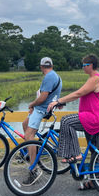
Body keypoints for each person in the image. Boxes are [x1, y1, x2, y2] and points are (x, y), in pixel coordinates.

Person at [48, 54, 99, 190]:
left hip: (94, 117)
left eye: (84, 65)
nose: (82, 68)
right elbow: (81, 94)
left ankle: (76, 154)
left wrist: (58, 101)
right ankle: (95, 180)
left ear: (91, 65)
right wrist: (61, 102)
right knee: (95, 149)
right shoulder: (93, 78)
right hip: (95, 116)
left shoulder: (95, 79)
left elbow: (78, 93)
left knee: (66, 121)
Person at [22, 57, 62, 186]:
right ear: (51, 65)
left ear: (41, 67)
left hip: (41, 110)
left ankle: (34, 170)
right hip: (45, 108)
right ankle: (31, 151)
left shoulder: (49, 77)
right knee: (25, 124)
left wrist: (32, 104)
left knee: (29, 136)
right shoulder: (56, 76)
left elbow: (43, 97)